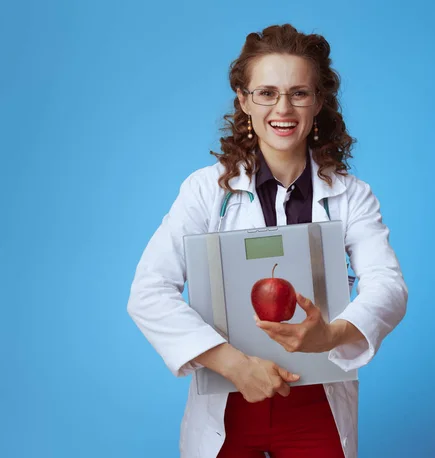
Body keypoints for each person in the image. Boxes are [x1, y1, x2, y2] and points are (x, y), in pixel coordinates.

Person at [127, 24, 408, 458]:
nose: (284, 107)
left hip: (316, 407)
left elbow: (388, 286)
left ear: (318, 102)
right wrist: (234, 365)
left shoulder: (351, 195)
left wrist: (330, 335)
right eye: (266, 93)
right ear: (244, 100)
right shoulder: (205, 191)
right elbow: (148, 292)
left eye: (299, 93)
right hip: (230, 401)